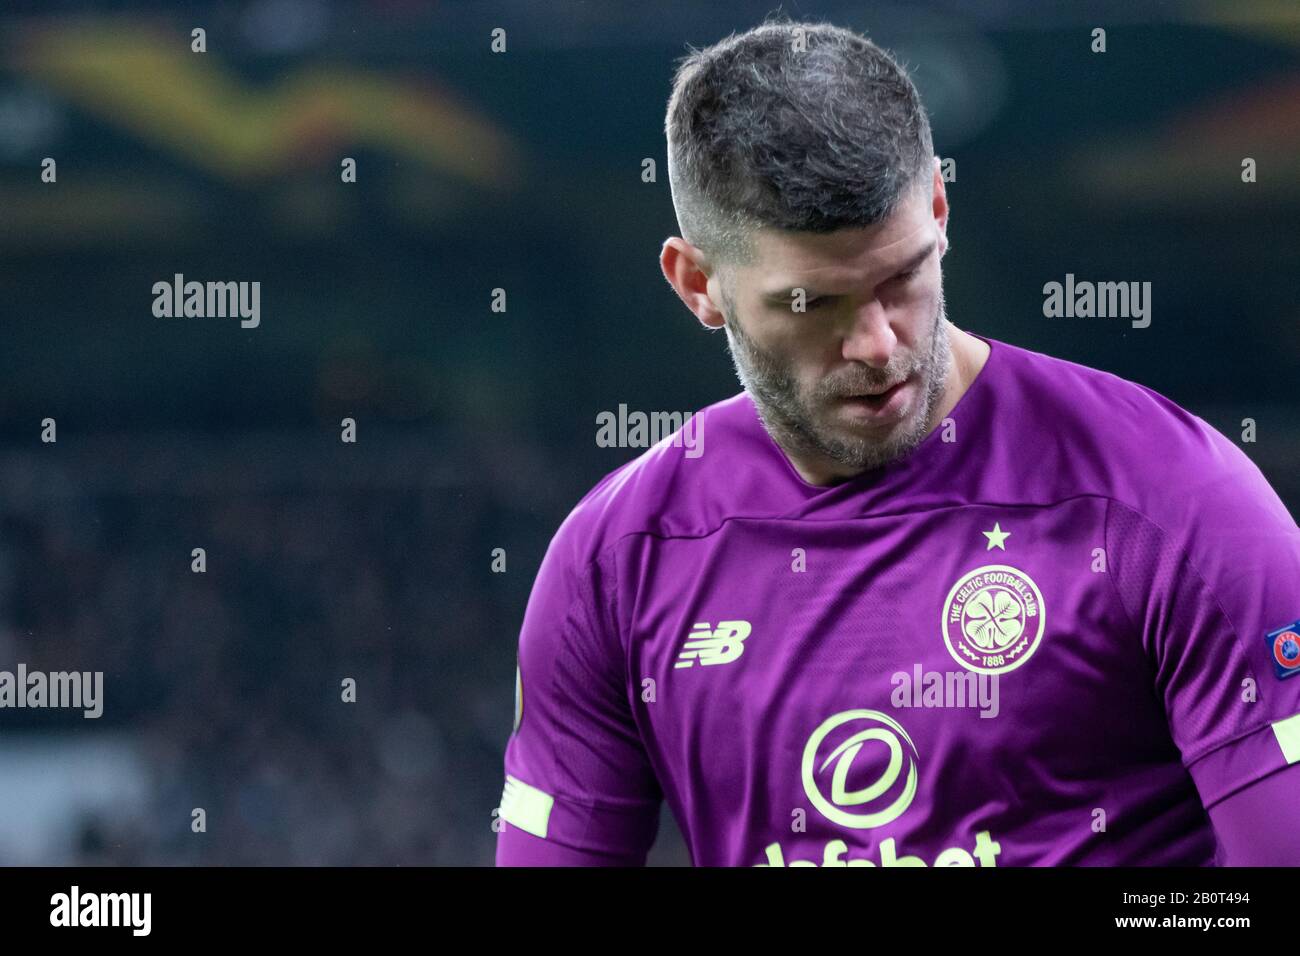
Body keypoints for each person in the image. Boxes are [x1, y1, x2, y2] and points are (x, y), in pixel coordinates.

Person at [496, 17, 1300, 866]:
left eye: (902, 278)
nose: (878, 343)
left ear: (940, 210)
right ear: (700, 284)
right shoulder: (614, 564)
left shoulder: (1172, 503)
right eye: (814, 305)